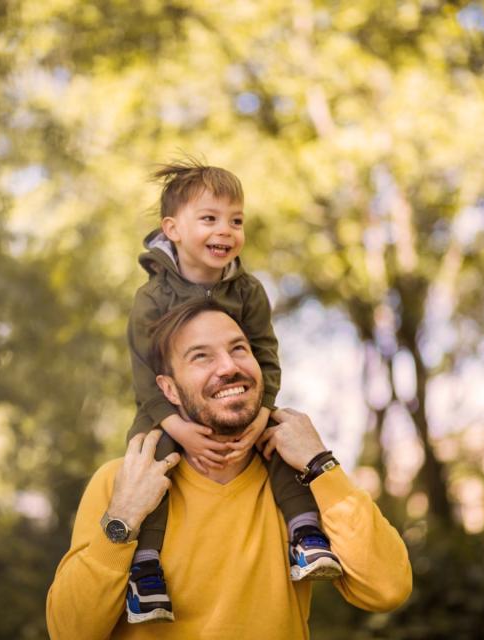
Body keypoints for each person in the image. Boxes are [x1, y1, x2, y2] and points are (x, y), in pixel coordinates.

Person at [46, 300, 412, 639]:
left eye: (239, 349)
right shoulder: (120, 482)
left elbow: (387, 589)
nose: (229, 367)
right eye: (201, 357)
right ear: (169, 390)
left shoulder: (303, 480)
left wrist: (320, 464)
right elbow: (69, 632)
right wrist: (123, 517)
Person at [123, 159, 341, 623]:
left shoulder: (248, 291)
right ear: (173, 228)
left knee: (282, 437)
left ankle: (305, 535)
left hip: (242, 402)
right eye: (210, 218)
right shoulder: (152, 299)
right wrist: (179, 428)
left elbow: (265, 356)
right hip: (167, 409)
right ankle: (145, 568)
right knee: (147, 454)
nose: (226, 229)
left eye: (236, 220)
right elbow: (144, 375)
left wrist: (262, 414)